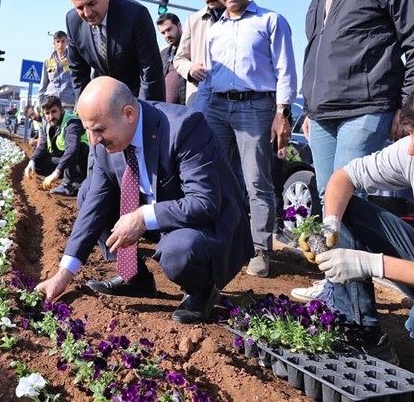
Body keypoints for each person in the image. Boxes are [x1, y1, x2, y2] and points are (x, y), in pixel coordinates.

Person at [294, 0, 414, 301]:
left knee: (349, 205)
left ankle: (355, 316)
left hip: (367, 109)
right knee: (330, 206)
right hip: (322, 116)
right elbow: (316, 56)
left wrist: (409, 108)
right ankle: (336, 288)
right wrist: (307, 108)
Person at [300, 73, 414, 399]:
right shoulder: (413, 151)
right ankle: (363, 334)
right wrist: (331, 225)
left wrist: (372, 264)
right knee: (347, 208)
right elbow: (344, 177)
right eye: (412, 135)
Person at [36, 77, 253, 324]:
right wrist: (63, 275)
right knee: (87, 194)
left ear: (128, 114)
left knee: (177, 251)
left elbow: (204, 203)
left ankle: (201, 289)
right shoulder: (104, 142)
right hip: (161, 212)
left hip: (206, 225)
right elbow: (93, 208)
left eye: (99, 130)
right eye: (88, 129)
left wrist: (142, 217)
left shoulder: (184, 128)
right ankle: (134, 277)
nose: (93, 139)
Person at [203, 0, 297, 278]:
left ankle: (260, 250)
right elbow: (210, 74)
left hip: (255, 108)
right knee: (217, 177)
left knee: (257, 181)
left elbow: (286, 70)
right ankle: (228, 241)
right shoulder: (215, 30)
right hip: (217, 108)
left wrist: (282, 112)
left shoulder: (271, 21)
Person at [65, 0, 165, 102]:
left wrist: (145, 112)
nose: (87, 13)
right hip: (103, 100)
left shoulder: (136, 15)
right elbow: (78, 72)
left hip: (137, 95)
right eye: (79, 7)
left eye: (91, 4)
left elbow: (149, 69)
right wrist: (85, 110)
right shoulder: (72, 21)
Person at [173, 0, 224, 109]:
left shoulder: (242, 19)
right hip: (200, 100)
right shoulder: (193, 20)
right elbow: (179, 59)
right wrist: (190, 69)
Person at [24, 95, 89, 196]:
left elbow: (72, 149)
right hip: (67, 159)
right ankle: (75, 179)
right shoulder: (48, 124)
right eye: (47, 113)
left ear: (61, 110)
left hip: (83, 161)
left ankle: (68, 184)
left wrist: (56, 172)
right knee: (38, 165)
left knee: (71, 150)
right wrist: (32, 161)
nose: (50, 116)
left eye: (54, 111)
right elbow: (42, 145)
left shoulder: (71, 122)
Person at [38, 31, 76, 110]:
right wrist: (40, 103)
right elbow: (43, 83)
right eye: (58, 42)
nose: (60, 45)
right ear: (54, 43)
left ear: (67, 42)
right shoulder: (49, 61)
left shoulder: (72, 59)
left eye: (63, 41)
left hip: (68, 103)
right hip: (50, 103)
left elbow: (77, 80)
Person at [156, 13, 186, 105]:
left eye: (169, 29)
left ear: (179, 26)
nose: (167, 35)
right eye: (163, 33)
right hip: (166, 110)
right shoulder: (163, 54)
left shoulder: (192, 49)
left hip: (186, 109)